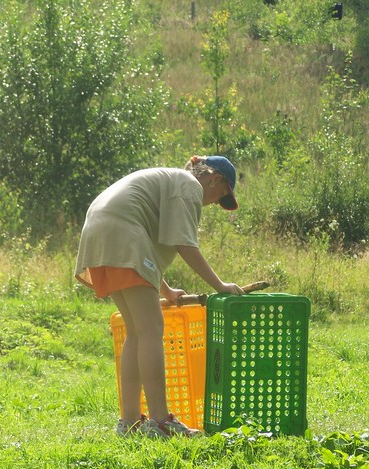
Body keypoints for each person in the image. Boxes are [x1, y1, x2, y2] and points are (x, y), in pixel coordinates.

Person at [75, 156, 244, 438]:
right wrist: (220, 285)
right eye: (221, 196)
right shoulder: (189, 185)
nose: (214, 202)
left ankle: (129, 423)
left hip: (99, 230)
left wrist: (166, 291)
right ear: (215, 179)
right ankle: (161, 422)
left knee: (137, 332)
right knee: (151, 329)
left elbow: (146, 248)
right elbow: (184, 244)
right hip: (120, 231)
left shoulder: (170, 182)